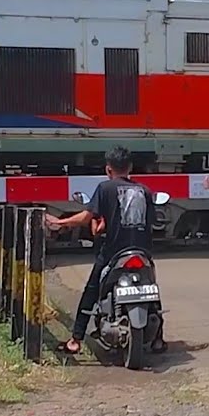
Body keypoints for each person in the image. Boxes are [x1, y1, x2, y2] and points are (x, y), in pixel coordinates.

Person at [45, 145, 159, 355]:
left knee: (91, 290)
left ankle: (76, 340)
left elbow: (86, 218)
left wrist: (60, 223)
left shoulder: (105, 188)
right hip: (142, 251)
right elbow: (144, 220)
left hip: (114, 251)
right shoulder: (145, 191)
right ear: (130, 167)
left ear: (109, 169)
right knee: (150, 284)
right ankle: (159, 338)